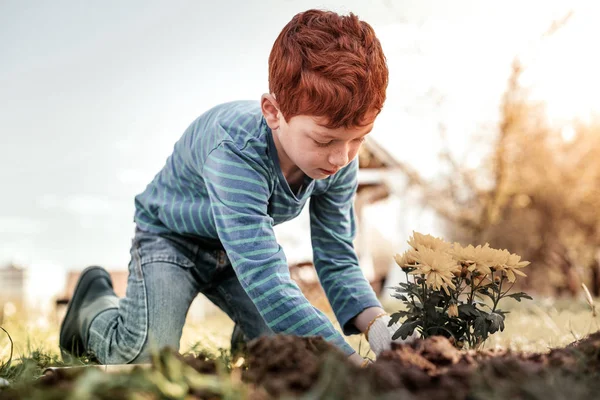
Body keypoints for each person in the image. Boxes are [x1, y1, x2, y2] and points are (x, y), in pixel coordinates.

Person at [59, 8, 407, 367]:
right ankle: (91, 311)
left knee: (286, 346)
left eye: (358, 139)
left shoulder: (340, 161)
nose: (341, 157)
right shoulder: (235, 152)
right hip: (172, 240)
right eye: (324, 140)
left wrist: (380, 326)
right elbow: (264, 277)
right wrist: (350, 365)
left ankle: (253, 342)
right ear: (273, 112)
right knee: (143, 355)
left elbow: (336, 257)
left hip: (234, 250)